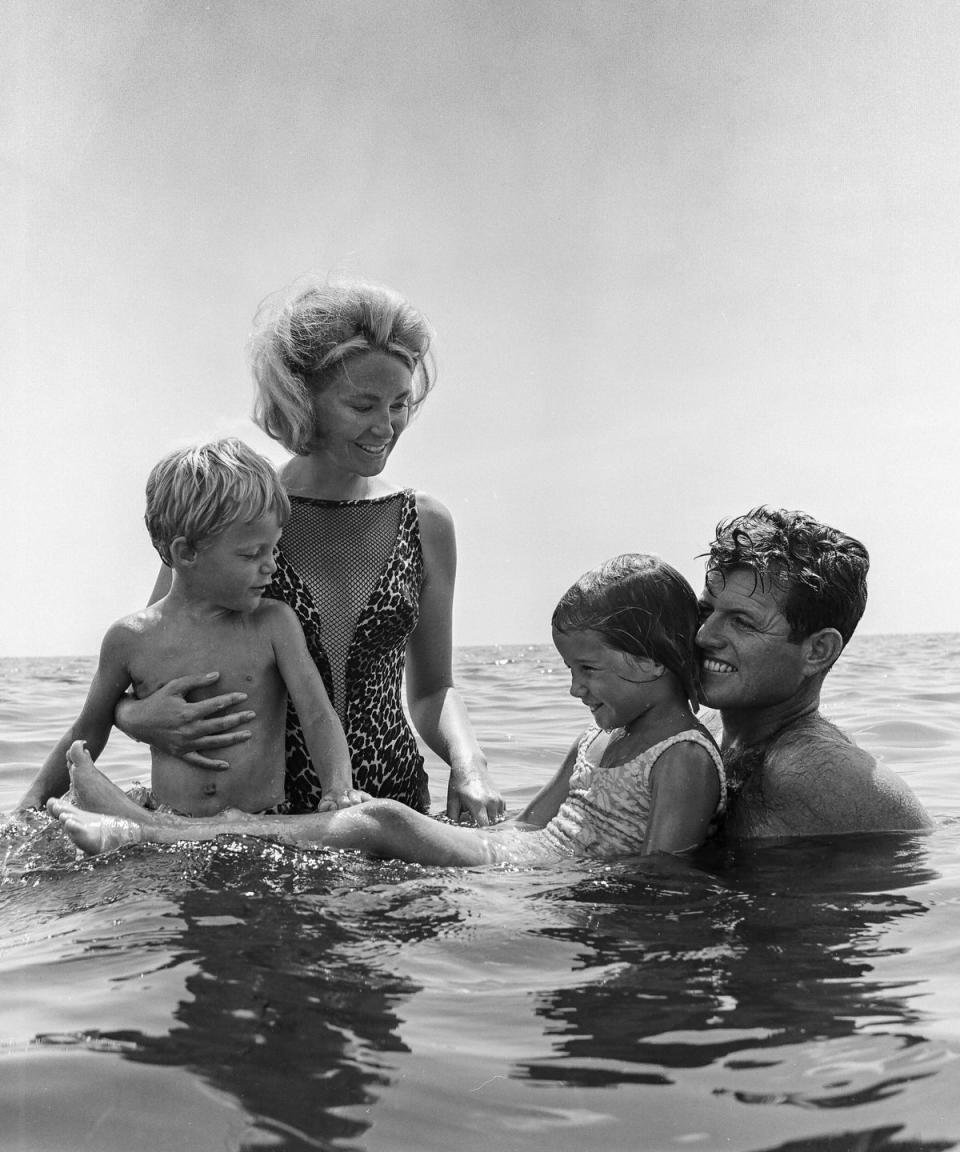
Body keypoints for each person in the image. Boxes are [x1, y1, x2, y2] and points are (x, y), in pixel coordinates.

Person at [20, 278, 503, 825]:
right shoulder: (237, 514)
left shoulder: (426, 523)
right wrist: (136, 718)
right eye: (362, 404)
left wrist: (470, 766)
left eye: (399, 404)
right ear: (301, 401)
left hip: (391, 805)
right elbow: (153, 652)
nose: (386, 426)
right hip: (261, 818)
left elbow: (433, 689)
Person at [48, 554, 727, 865]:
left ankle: (146, 834)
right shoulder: (594, 743)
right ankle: (163, 828)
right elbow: (530, 823)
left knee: (376, 817)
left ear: (650, 661)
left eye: (587, 670)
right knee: (376, 819)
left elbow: (666, 876)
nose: (576, 689)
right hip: (517, 856)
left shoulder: (685, 759)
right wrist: (469, 824)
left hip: (535, 877)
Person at [22, 439, 365, 818]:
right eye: (252, 554)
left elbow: (318, 714)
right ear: (186, 553)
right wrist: (31, 802)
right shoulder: (130, 639)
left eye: (273, 549)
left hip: (261, 822)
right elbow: (88, 730)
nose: (271, 566)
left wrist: (339, 788)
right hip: (167, 820)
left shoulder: (273, 624)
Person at [696, 506, 933, 839]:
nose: (703, 635)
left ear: (818, 650)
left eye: (742, 622)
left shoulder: (815, 774)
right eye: (706, 610)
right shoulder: (702, 731)